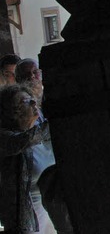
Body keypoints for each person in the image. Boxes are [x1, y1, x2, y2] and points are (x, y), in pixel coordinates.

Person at [0, 84, 56, 233]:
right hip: (25, 225)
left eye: (33, 99)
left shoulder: (43, 135)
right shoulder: (5, 137)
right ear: (12, 112)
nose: (33, 103)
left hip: (54, 220)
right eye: (25, 101)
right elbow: (22, 141)